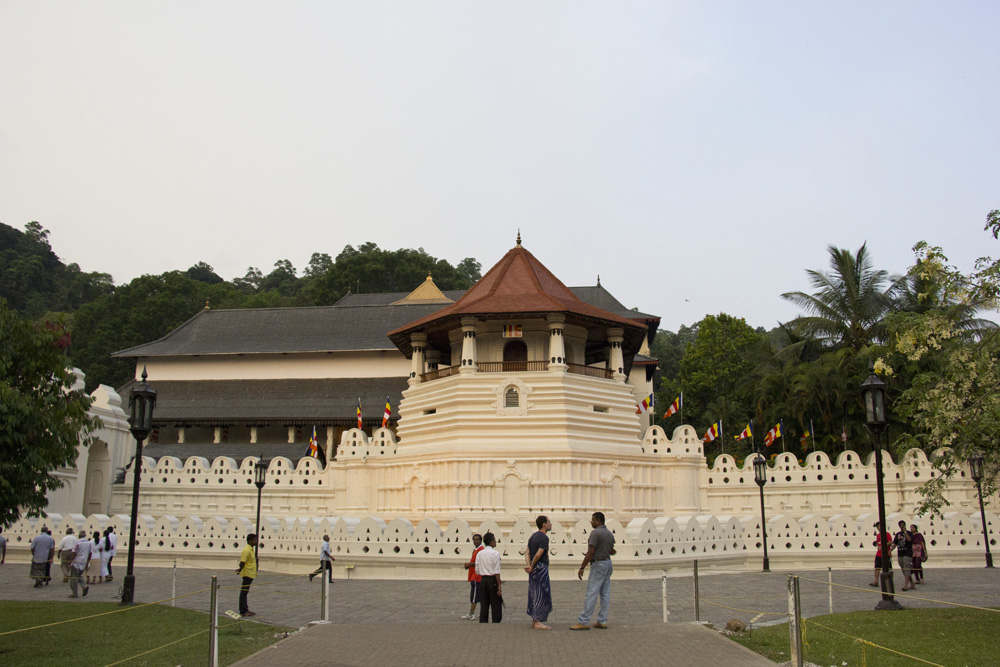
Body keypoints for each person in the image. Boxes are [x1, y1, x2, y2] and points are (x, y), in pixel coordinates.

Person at [570, 512, 616, 631]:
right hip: (608, 563)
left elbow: (591, 551)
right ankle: (602, 620)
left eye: (593, 520)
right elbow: (612, 550)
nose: (591, 522)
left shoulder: (595, 533)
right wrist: (603, 549)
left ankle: (584, 621)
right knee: (605, 593)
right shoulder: (609, 534)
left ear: (599, 521)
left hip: (598, 564)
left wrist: (582, 567)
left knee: (591, 592)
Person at [524, 515, 553, 630]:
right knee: (541, 594)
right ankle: (538, 621)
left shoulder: (533, 536)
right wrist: (532, 565)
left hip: (533, 570)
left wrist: (529, 565)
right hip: (540, 568)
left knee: (533, 593)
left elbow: (527, 552)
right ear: (544, 524)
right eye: (549, 522)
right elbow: (538, 554)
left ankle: (534, 619)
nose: (550, 524)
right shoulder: (544, 538)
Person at [475, 532, 502, 623]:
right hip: (492, 579)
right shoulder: (495, 553)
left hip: (483, 580)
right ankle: (496, 621)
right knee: (495, 603)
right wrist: (499, 585)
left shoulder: (480, 553)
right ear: (490, 542)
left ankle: (483, 621)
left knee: (484, 603)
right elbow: (496, 571)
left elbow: (477, 570)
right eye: (494, 540)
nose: (495, 542)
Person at [462, 533, 483, 620]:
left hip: (476, 576)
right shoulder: (476, 550)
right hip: (474, 575)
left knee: (474, 596)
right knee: (477, 595)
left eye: (477, 540)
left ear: (481, 541)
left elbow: (479, 562)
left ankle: (471, 613)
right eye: (474, 540)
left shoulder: (481, 550)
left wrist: (469, 564)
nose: (475, 541)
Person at [236, 534, 258, 617]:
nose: (256, 542)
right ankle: (243, 610)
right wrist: (240, 569)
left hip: (250, 573)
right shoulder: (247, 550)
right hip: (247, 573)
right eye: (254, 540)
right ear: (249, 541)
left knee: (245, 592)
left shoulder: (251, 549)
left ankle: (245, 609)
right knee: (243, 592)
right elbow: (242, 562)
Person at [69, 530, 92, 598]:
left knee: (74, 578)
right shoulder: (89, 543)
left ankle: (74, 593)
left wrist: (70, 561)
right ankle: (84, 587)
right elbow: (90, 553)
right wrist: (87, 562)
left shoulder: (78, 542)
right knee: (79, 576)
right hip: (83, 562)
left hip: (76, 562)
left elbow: (74, 552)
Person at [869, 521, 894, 586]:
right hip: (879, 554)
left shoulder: (887, 534)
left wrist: (883, 546)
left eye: (879, 526)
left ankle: (889, 581)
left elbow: (890, 542)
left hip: (886, 554)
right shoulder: (878, 535)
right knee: (877, 567)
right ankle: (876, 581)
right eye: (877, 527)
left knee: (888, 568)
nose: (878, 528)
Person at [895, 520, 914, 591]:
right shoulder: (898, 534)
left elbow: (909, 540)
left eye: (903, 525)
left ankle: (905, 586)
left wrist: (905, 532)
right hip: (900, 553)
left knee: (907, 568)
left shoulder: (909, 533)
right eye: (901, 525)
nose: (902, 526)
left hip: (907, 553)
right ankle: (912, 583)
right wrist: (890, 550)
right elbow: (895, 543)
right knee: (904, 570)